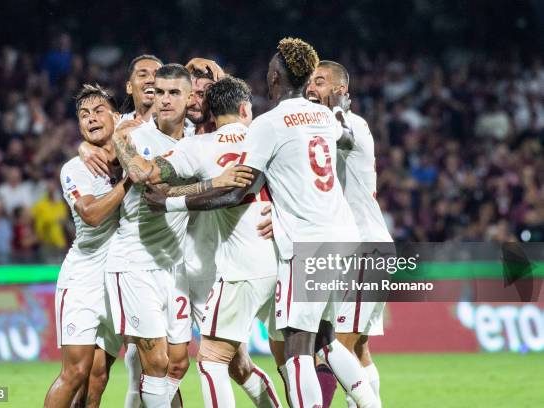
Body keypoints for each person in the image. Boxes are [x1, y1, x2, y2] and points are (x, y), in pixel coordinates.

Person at [143, 38, 379, 408]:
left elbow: (238, 190)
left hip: (306, 242)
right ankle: (370, 402)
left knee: (297, 346)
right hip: (344, 236)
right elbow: (345, 141)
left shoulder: (269, 123)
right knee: (326, 339)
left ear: (274, 76)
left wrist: (172, 202)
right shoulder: (322, 116)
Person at [115, 76, 283, 407]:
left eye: (190, 93)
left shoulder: (200, 139)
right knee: (160, 363)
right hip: (164, 263)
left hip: (213, 266)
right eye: (163, 92)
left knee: (232, 363)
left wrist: (279, 214)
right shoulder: (140, 132)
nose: (174, 99)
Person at [306, 60, 392, 408]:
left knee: (334, 345)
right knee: (357, 347)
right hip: (358, 247)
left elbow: (342, 137)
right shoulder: (322, 125)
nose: (311, 87)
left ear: (341, 92)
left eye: (321, 82)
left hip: (362, 250)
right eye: (309, 80)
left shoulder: (350, 124)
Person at [44, 84, 129, 408]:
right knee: (75, 373)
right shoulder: (75, 168)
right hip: (84, 279)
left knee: (98, 378)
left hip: (120, 279)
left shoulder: (131, 154)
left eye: (98, 111)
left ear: (117, 117)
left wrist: (128, 168)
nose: (91, 119)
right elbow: (92, 215)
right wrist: (130, 181)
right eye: (83, 115)